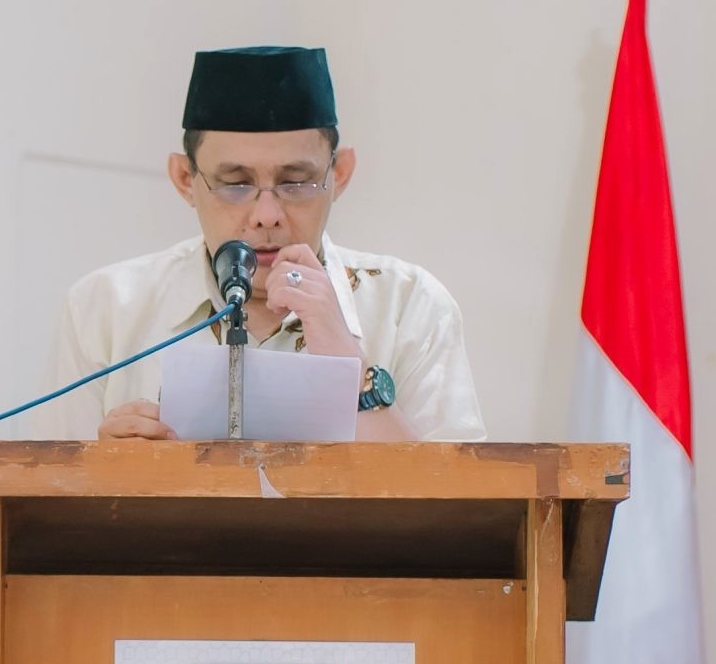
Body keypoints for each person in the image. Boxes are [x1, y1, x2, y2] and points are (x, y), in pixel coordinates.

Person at [47, 45, 485, 442]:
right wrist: (105, 475)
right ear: (184, 179)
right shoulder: (105, 308)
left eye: (296, 182)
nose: (267, 213)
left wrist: (349, 366)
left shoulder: (409, 305)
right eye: (235, 184)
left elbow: (464, 496)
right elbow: (45, 492)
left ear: (339, 174)